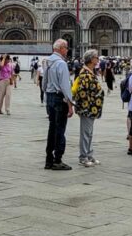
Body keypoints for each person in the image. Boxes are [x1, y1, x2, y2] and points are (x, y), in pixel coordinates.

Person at [43, 38, 74, 170]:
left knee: (52, 129)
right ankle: (58, 160)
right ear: (61, 48)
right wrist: (70, 104)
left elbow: (44, 81)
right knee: (60, 129)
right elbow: (65, 86)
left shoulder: (48, 61)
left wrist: (46, 94)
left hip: (50, 97)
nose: (67, 50)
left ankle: (49, 159)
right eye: (66, 48)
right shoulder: (61, 63)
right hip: (59, 98)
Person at [73, 48, 104, 167]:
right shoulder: (85, 73)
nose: (98, 60)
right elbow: (82, 93)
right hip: (87, 108)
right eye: (96, 58)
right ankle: (83, 157)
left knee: (89, 133)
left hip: (92, 109)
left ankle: (89, 155)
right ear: (91, 60)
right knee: (85, 133)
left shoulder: (90, 72)